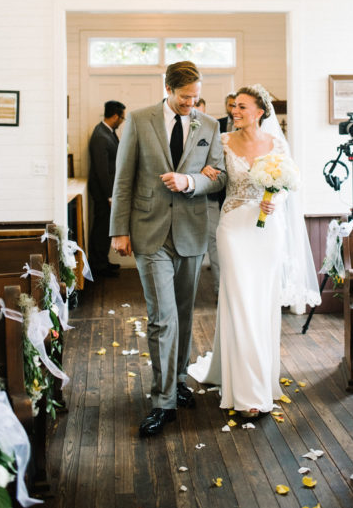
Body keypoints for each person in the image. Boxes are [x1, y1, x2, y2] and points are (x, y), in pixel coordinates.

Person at [188, 84, 320, 418]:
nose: (235, 112)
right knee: (240, 300)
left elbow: (289, 184)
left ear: (260, 111)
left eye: (242, 107)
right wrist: (205, 172)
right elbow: (214, 177)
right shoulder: (221, 141)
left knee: (261, 302)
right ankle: (247, 393)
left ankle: (257, 376)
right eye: (233, 106)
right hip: (233, 226)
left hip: (267, 230)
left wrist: (275, 199)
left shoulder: (276, 143)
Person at [109, 61, 226, 437]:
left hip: (191, 232)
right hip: (149, 232)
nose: (191, 103)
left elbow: (219, 175)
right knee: (163, 317)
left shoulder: (208, 125)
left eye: (195, 97)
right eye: (184, 97)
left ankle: (178, 380)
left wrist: (191, 180)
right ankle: (162, 402)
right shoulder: (139, 121)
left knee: (186, 314)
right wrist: (119, 231)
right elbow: (123, 178)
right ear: (168, 89)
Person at [87, 100, 126, 277]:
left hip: (108, 189)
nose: (122, 121)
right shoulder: (100, 136)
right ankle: (98, 265)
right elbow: (102, 170)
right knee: (102, 227)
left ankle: (103, 261)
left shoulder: (108, 132)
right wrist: (110, 196)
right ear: (115, 116)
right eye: (122, 117)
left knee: (105, 227)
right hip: (103, 191)